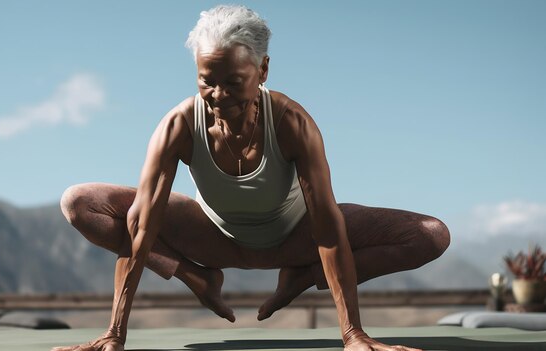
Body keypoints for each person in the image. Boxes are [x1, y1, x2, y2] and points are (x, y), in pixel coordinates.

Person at [52, 5, 450, 351]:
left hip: (296, 235)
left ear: (262, 70)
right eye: (206, 80)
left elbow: (327, 229)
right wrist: (114, 332)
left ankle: (301, 277)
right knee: (80, 203)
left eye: (232, 82)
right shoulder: (177, 126)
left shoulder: (293, 123)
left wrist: (352, 334)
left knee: (430, 234)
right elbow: (141, 229)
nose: (218, 95)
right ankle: (198, 278)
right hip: (212, 237)